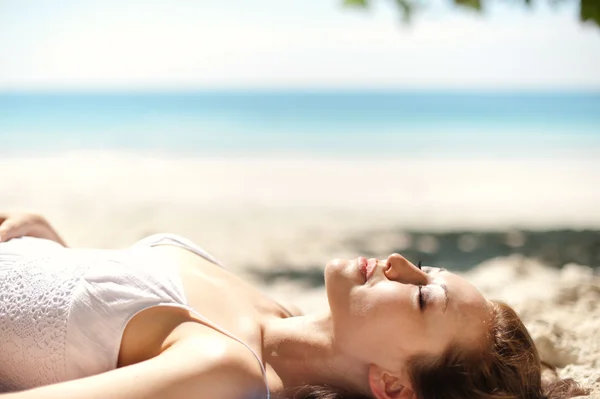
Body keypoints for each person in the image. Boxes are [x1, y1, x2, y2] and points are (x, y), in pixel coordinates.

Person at [0, 212, 588, 399]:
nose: (399, 261)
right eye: (426, 268)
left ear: (393, 386)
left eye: (421, 295)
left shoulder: (226, 367)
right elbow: (86, 325)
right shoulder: (270, 312)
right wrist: (51, 248)